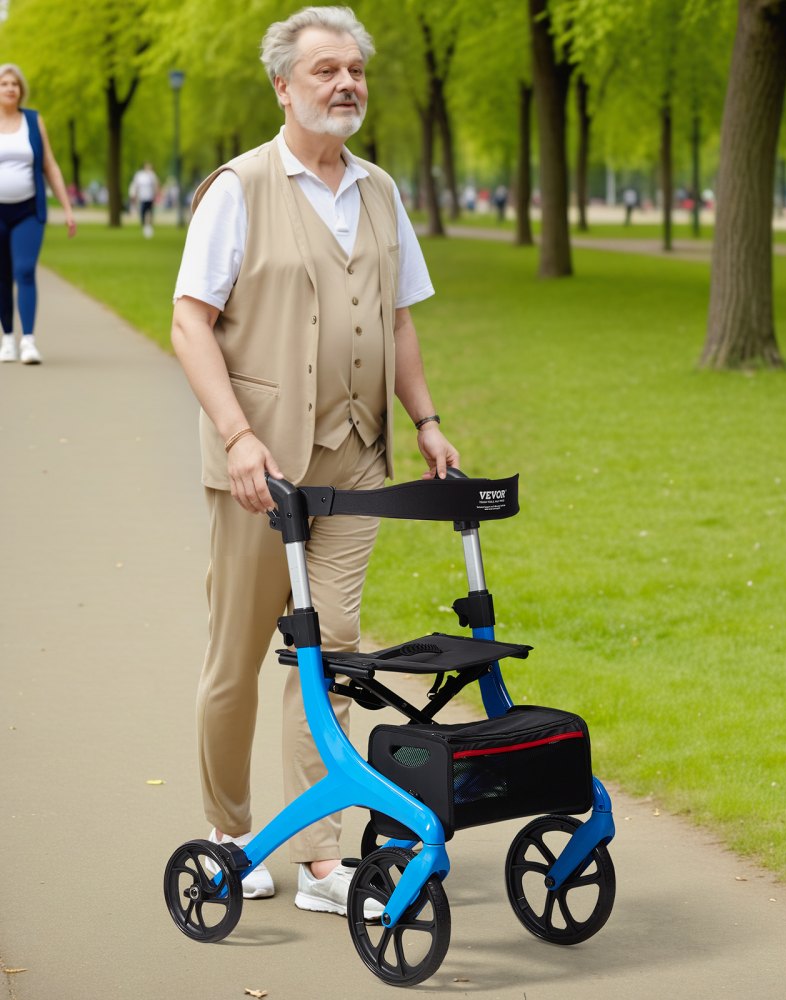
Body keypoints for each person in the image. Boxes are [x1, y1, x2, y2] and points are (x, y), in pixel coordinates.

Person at [171, 5, 459, 915]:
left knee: (329, 657)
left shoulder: (379, 191)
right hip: (262, 475)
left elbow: (401, 317)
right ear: (283, 85)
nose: (345, 85)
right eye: (326, 70)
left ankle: (322, 859)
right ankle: (229, 832)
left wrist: (426, 420)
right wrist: (238, 435)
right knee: (239, 657)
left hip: (357, 464)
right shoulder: (238, 190)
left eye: (356, 72)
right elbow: (189, 322)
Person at [0, 64, 75, 365]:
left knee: (25, 270)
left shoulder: (33, 120)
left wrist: (68, 208)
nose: (9, 88)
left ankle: (28, 340)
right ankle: (8, 339)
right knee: (2, 277)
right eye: (4, 84)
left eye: (14, 84)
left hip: (28, 211)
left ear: (21, 90)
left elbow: (51, 167)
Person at [129, 161, 159, 237]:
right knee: (143, 211)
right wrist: (135, 195)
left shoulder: (152, 175)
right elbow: (136, 185)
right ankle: (143, 225)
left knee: (149, 212)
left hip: (150, 197)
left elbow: (155, 185)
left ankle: (149, 225)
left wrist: (155, 194)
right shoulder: (139, 175)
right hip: (142, 197)